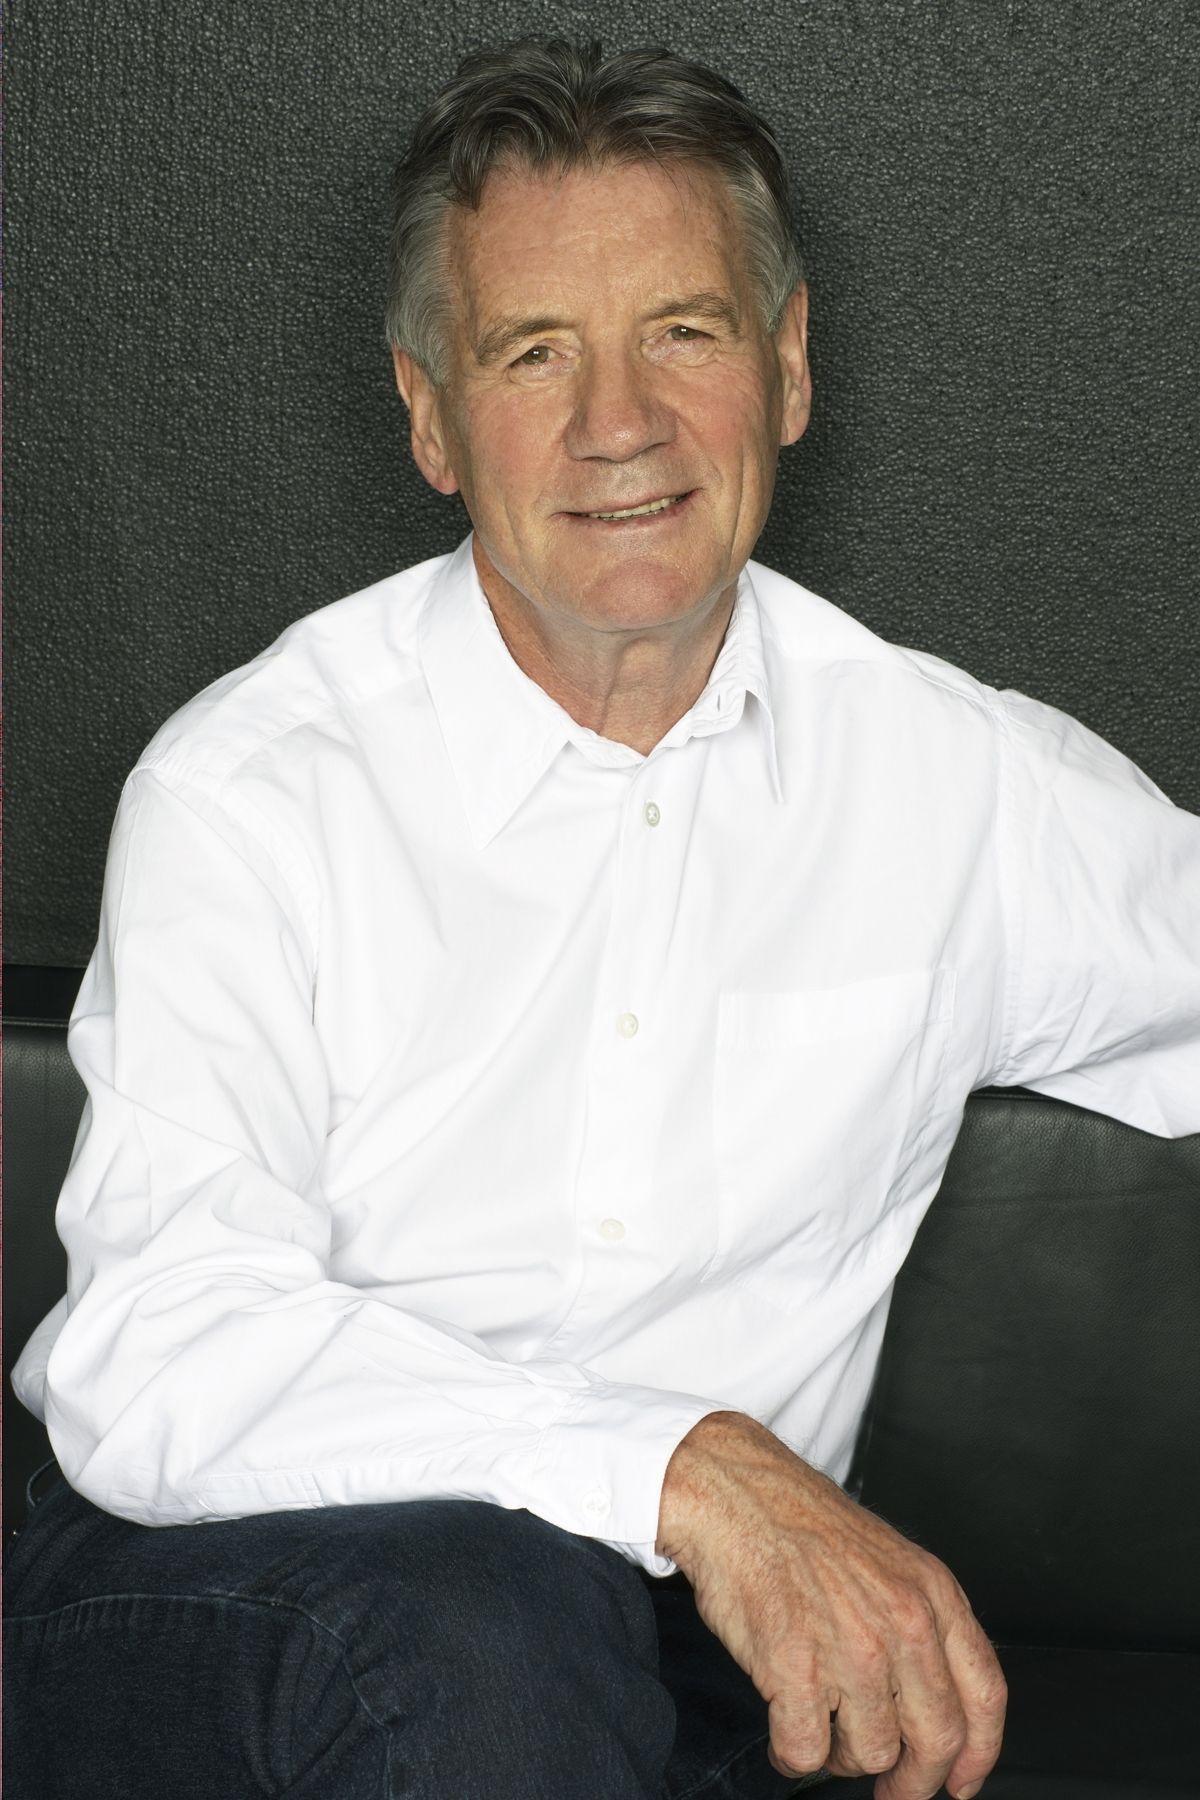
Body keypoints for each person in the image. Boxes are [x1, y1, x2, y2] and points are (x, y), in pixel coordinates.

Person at [6, 36, 1199, 1800]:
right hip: (242, 1590)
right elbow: (163, 1345)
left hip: (693, 1669)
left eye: (685, 333)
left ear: (789, 365)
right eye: (534, 352)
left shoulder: (958, 784)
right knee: (487, 1633)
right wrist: (685, 1468)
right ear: (429, 416)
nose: (619, 423)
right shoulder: (253, 791)